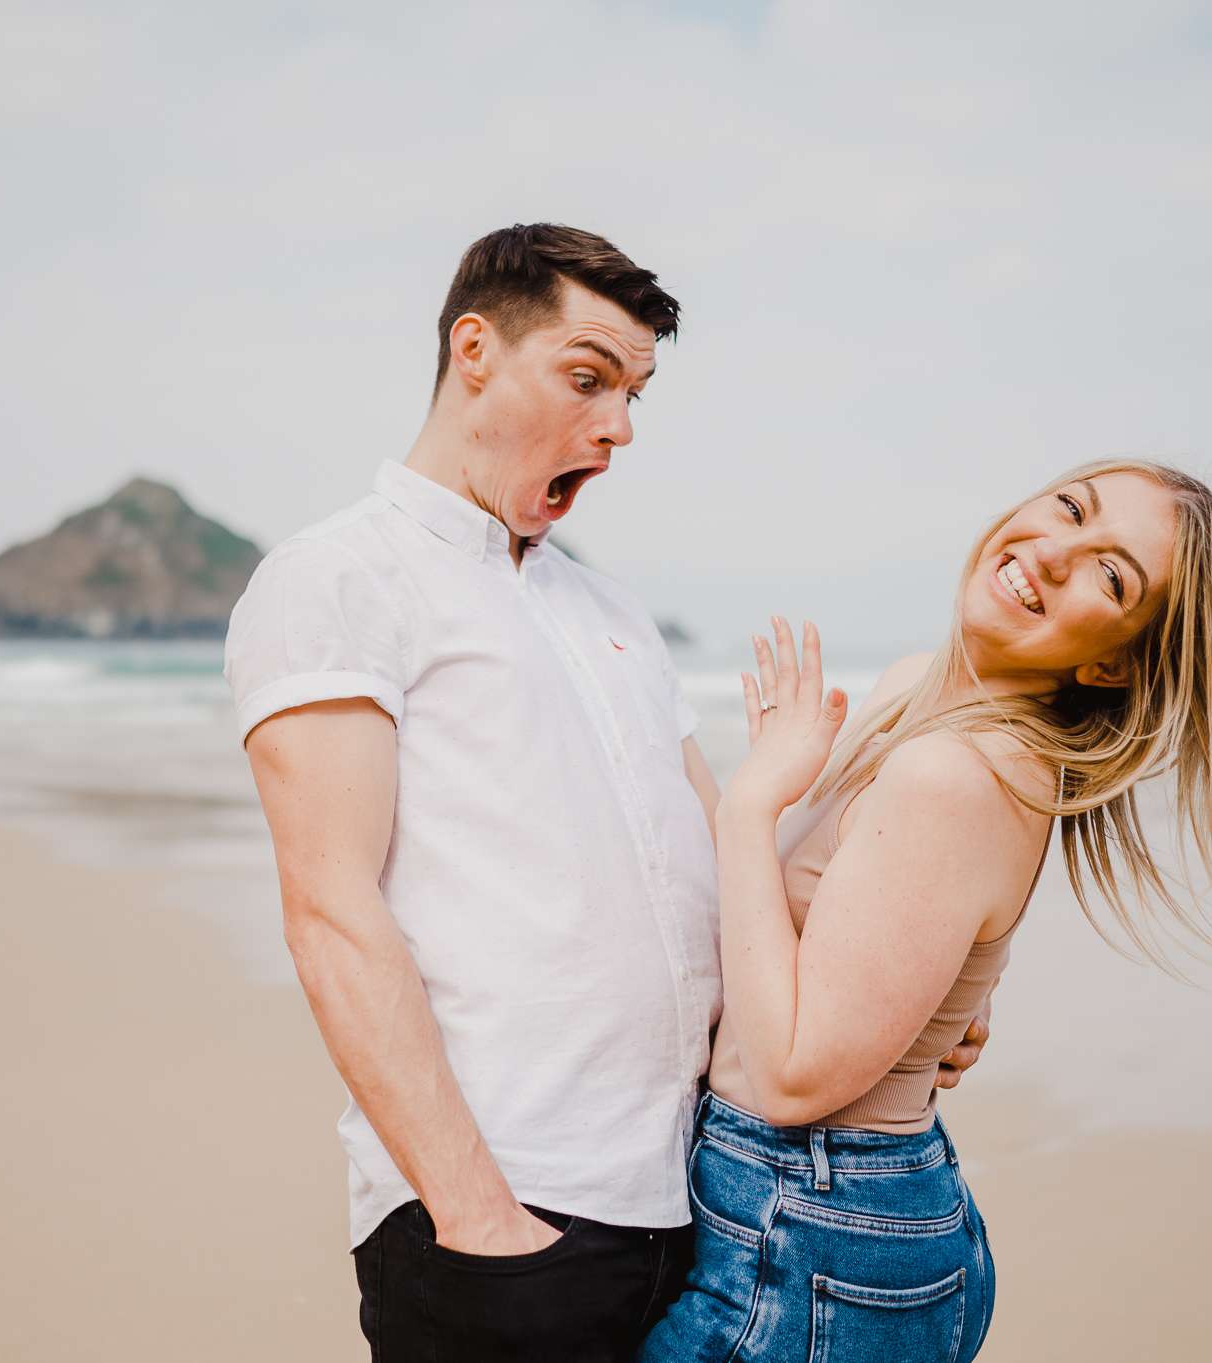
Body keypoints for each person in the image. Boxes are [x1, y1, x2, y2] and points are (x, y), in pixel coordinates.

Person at [222, 223, 990, 1362]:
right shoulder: (338, 576)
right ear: (472, 349)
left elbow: (706, 878)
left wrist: (890, 1001)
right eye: (586, 378)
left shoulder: (611, 614)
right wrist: (476, 1214)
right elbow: (332, 913)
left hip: (699, 1199)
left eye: (633, 392)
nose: (618, 428)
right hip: (505, 1215)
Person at [638, 462, 1212, 1363]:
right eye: (1070, 508)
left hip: (810, 1229)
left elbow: (793, 1077)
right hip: (829, 1219)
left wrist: (748, 809)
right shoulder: (912, 689)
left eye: (1109, 575)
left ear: (1111, 658)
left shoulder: (957, 773)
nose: (1052, 552)